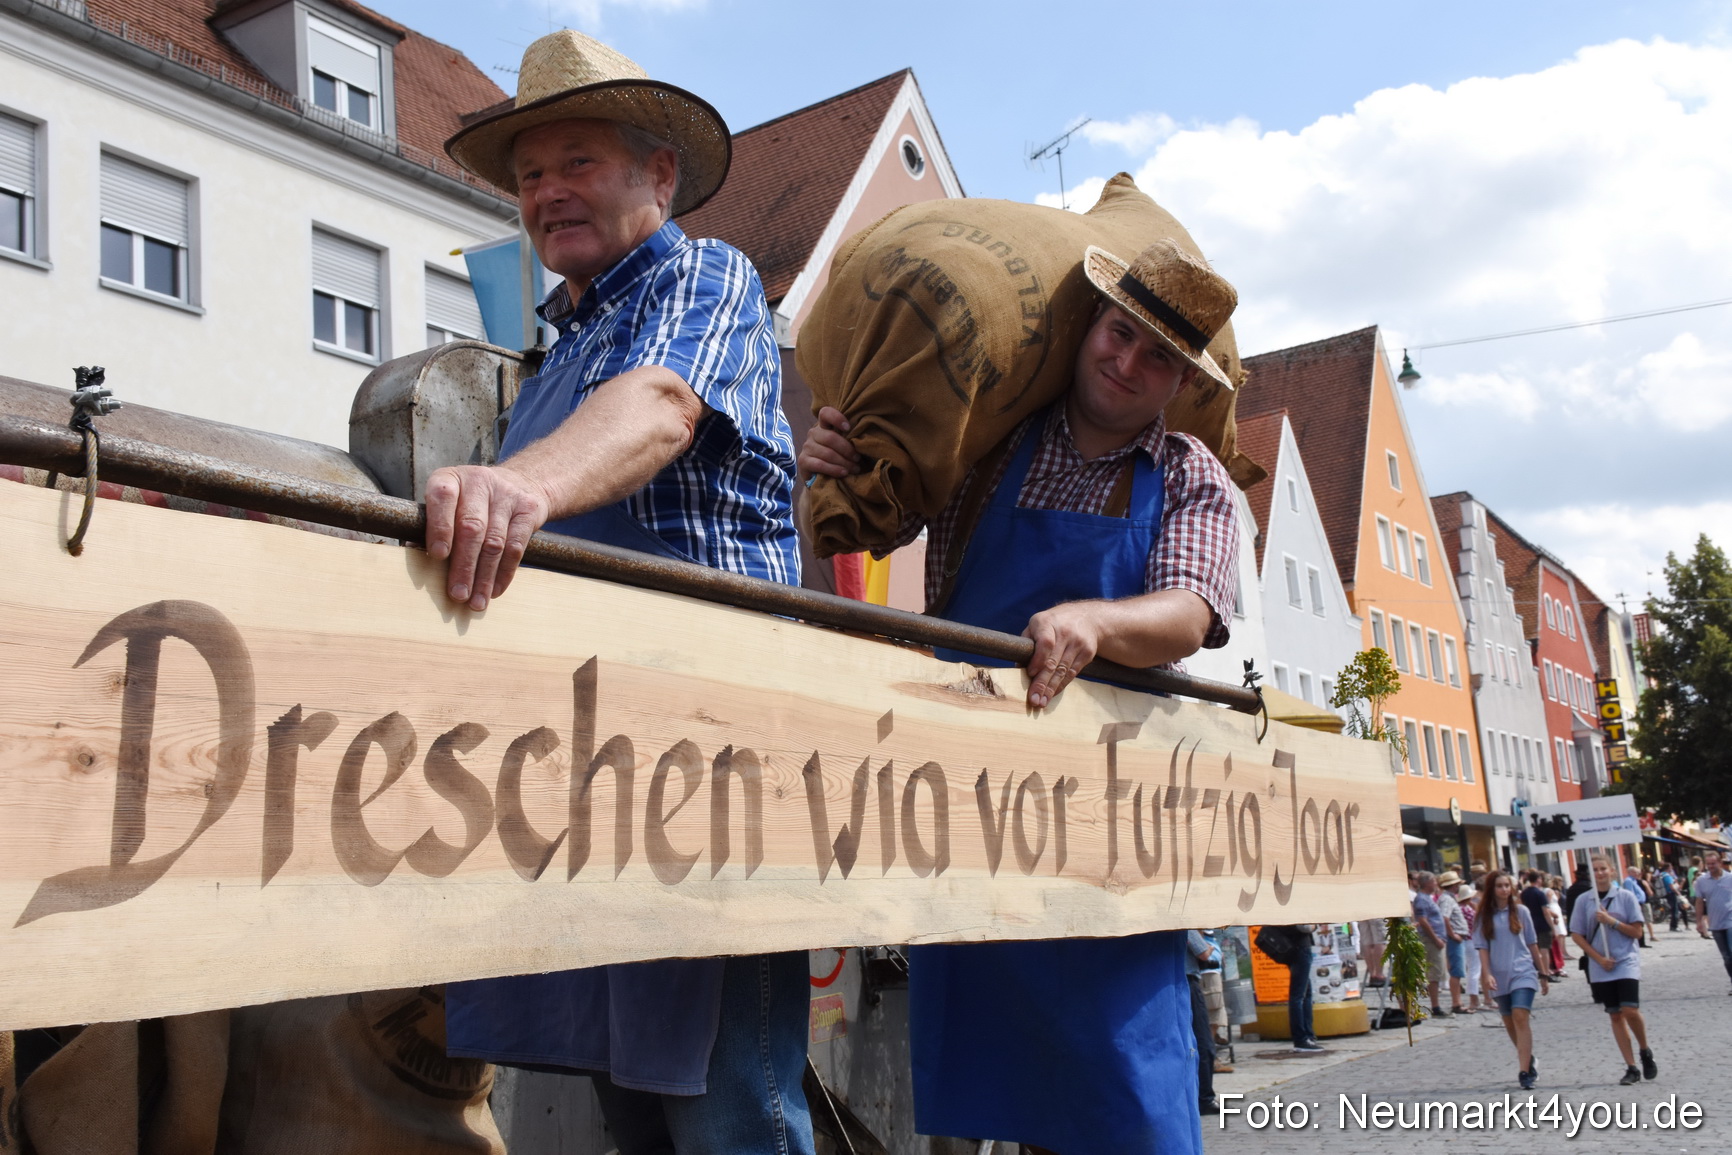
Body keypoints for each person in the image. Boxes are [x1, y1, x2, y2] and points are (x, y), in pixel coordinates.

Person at [432, 29, 812, 1153]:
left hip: (713, 755)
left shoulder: (704, 276)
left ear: (659, 173)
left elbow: (660, 407)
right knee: (632, 1106)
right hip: (588, 776)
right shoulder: (556, 348)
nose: (546, 192)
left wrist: (514, 488)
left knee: (730, 1108)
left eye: (576, 161)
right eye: (530, 175)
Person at [802, 238, 1244, 1154]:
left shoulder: (1190, 470)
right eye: (1118, 335)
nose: (1126, 363)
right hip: (965, 812)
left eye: (1156, 356)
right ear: (1088, 329)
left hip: (1109, 830)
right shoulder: (986, 442)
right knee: (974, 1100)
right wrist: (830, 470)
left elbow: (1192, 611)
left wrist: (1097, 621)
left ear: (1177, 383)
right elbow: (862, 534)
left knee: (1120, 1099)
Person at [1568, 854, 1656, 1086]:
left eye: (1603, 869)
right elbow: (1577, 934)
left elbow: (1637, 932)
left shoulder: (1625, 897)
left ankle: (1645, 1050)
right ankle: (1631, 1066)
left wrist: (1611, 921)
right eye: (1595, 870)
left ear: (1612, 871)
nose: (1599, 873)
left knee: (1630, 1009)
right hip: (1600, 964)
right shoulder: (1584, 900)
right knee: (1615, 1014)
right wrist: (1597, 957)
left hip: (1625, 960)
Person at [1473, 870, 1551, 1089]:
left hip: (1522, 969)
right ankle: (1529, 1058)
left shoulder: (1521, 911)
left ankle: (1524, 1071)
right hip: (1499, 974)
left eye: (1507, 885)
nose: (1504, 889)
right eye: (1499, 886)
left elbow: (1532, 943)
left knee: (1519, 1015)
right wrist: (1486, 974)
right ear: (1492, 889)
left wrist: (1543, 972)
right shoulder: (1483, 917)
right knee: (1509, 1020)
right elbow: (1482, 948)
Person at [1186, 931, 1223, 1113]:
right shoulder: (1183, 922)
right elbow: (1203, 952)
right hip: (1189, 981)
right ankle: (1205, 1097)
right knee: (1203, 1041)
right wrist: (1210, 947)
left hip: (1170, 982)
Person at [1411, 873, 1450, 1017]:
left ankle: (1435, 1004)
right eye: (1434, 880)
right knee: (1434, 972)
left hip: (1436, 939)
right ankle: (1435, 1006)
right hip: (1430, 940)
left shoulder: (1428, 898)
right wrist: (1435, 938)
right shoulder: (1421, 899)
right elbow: (1422, 920)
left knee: (1437, 972)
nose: (1436, 883)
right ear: (1426, 883)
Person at [1432, 872, 1470, 1014]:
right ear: (1453, 885)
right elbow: (1444, 918)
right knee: (1456, 971)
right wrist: (1453, 934)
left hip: (1457, 937)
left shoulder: (1449, 898)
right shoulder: (1447, 899)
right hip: (1455, 939)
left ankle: (1457, 1002)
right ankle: (1456, 1003)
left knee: (1458, 970)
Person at [1694, 849, 1732, 991]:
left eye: (1713, 863)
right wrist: (1699, 922)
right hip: (1715, 923)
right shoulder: (1701, 881)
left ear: (1720, 863)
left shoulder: (1730, 878)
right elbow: (1699, 902)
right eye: (1708, 864)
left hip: (1730, 919)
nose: (1711, 866)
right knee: (1727, 957)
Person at [1446, 873, 1483, 1012]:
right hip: (1471, 940)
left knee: (1469, 969)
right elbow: (1478, 923)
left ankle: (1473, 998)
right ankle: (1474, 998)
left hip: (1464, 941)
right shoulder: (1468, 910)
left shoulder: (1458, 908)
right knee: (1474, 970)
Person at [1518, 871, 1562, 981]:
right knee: (1544, 949)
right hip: (1542, 924)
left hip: (1530, 923)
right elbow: (1545, 912)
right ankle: (1546, 972)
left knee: (1534, 948)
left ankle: (1538, 970)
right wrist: (1552, 927)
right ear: (1538, 880)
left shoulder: (1524, 893)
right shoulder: (1540, 893)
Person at [1624, 864, 1656, 947]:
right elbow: (1631, 893)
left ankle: (1642, 942)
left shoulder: (1634, 881)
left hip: (1641, 902)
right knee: (1639, 923)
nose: (1637, 874)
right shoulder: (1628, 881)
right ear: (1630, 872)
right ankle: (1641, 942)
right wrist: (1636, 903)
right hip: (1637, 903)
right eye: (1635, 872)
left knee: (1641, 923)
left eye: (1638, 872)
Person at [1656, 862, 1682, 932]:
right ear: (1668, 868)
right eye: (1671, 867)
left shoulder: (1661, 874)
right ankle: (1674, 926)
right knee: (1675, 910)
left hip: (1666, 894)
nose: (1672, 868)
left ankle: (1673, 926)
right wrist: (1678, 893)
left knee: (1673, 910)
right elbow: (1671, 886)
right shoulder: (1667, 876)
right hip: (1671, 894)